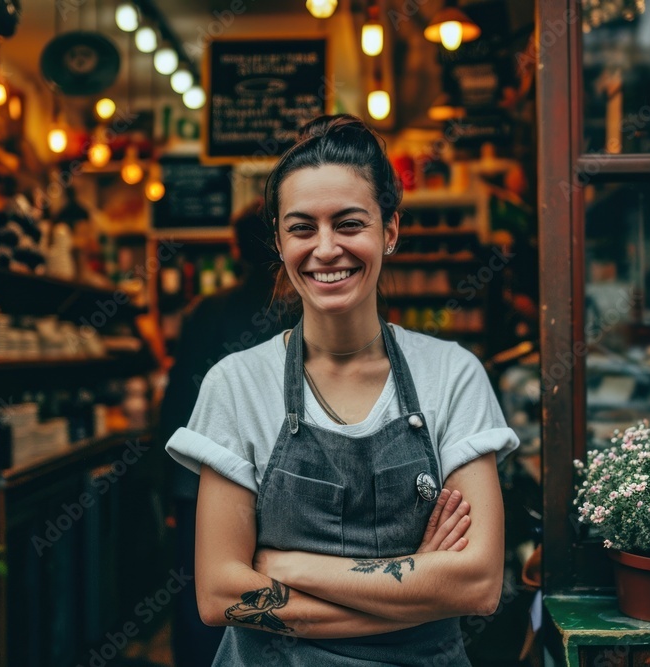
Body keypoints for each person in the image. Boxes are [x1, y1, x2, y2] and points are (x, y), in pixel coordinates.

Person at [165, 114, 519, 665]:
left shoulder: (452, 375)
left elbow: (477, 585)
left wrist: (287, 566)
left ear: (390, 230)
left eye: (350, 223)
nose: (326, 248)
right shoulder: (236, 384)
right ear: (279, 241)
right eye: (302, 227)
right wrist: (417, 591)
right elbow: (218, 595)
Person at [159, 199, 295, 667]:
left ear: (237, 250)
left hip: (198, 481)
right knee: (268, 590)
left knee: (200, 595)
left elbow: (175, 402)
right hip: (281, 484)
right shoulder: (301, 311)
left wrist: (172, 487)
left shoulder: (206, 311)